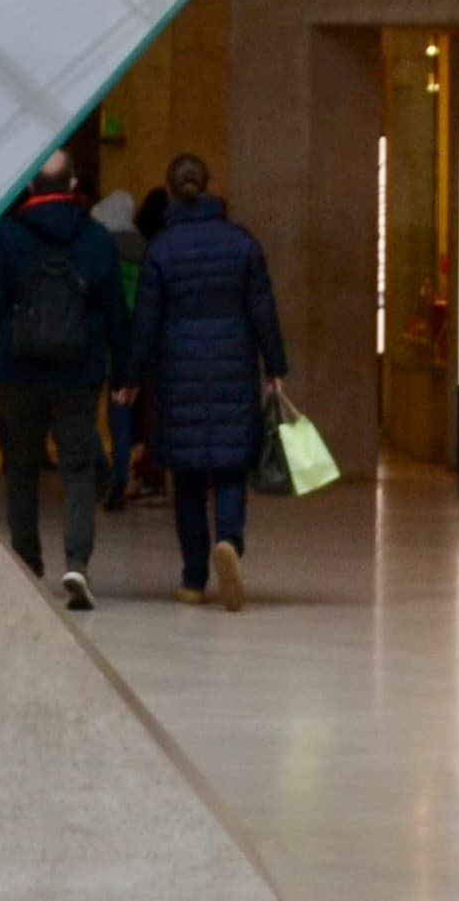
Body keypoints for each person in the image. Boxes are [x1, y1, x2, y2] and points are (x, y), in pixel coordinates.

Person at [119, 152, 288, 611]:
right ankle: (229, 542)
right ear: (210, 185)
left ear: (171, 191)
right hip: (234, 368)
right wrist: (275, 367)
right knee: (231, 468)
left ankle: (194, 578)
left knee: (189, 478)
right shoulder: (242, 243)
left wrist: (130, 379)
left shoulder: (162, 248)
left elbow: (146, 321)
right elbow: (263, 310)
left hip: (178, 372)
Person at [0, 151, 131, 611]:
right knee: (78, 466)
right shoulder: (96, 237)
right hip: (79, 369)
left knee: (21, 467)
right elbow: (116, 311)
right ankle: (76, 561)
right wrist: (125, 373)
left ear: (28, 187)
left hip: (17, 368)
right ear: (74, 183)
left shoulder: (7, 237)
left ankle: (26, 563)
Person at [93, 190, 147, 510]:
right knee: (121, 416)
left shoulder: (98, 251)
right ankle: (121, 477)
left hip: (96, 342)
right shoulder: (145, 250)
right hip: (129, 345)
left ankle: (101, 467)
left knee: (84, 413)